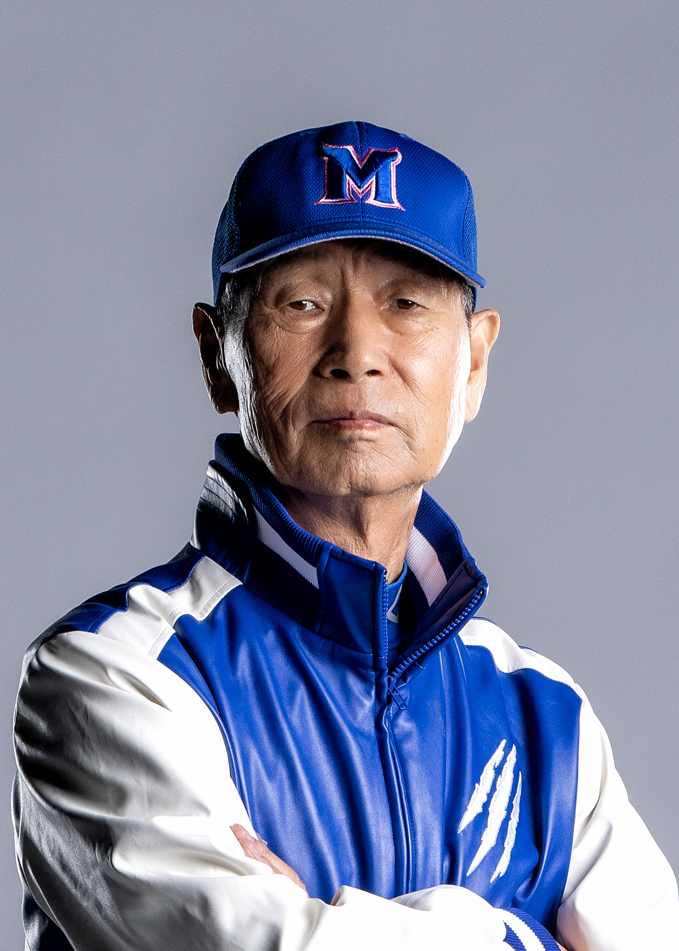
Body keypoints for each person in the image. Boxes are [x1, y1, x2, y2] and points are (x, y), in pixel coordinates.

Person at [13, 121, 678, 951]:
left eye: (405, 303)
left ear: (473, 362)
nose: (356, 352)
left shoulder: (545, 718)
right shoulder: (114, 673)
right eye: (302, 303)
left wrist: (332, 924)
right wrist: (524, 934)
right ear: (218, 357)